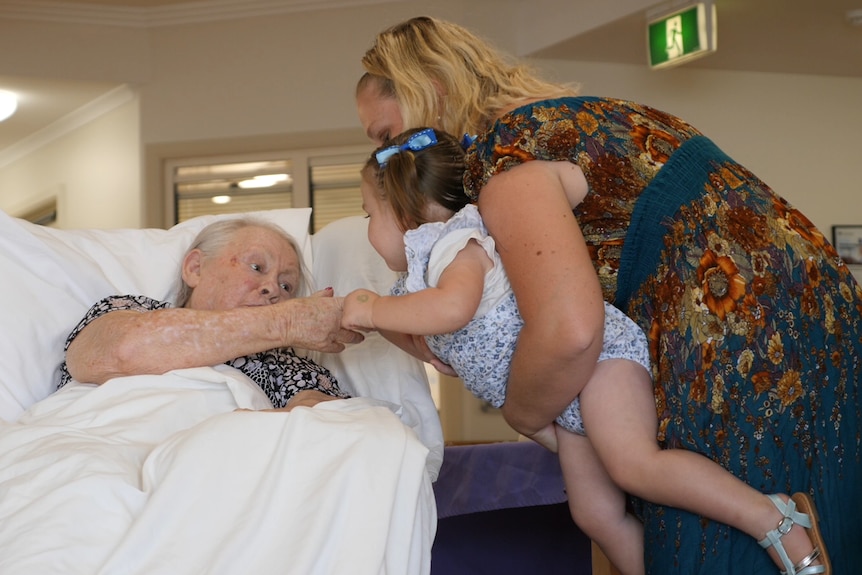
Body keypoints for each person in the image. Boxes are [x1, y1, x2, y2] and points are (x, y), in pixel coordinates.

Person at [355, 15, 862, 575]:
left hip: (737, 329)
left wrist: (524, 410)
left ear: (431, 92)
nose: (388, 155)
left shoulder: (508, 160)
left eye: (385, 137)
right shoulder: (575, 116)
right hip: (813, 303)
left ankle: (782, 526)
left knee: (711, 545)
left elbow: (570, 332)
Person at [60, 217, 363, 411]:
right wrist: (287, 320)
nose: (273, 289)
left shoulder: (286, 366)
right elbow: (122, 352)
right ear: (195, 268)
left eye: (287, 286)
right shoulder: (130, 310)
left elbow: (325, 419)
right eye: (257, 267)